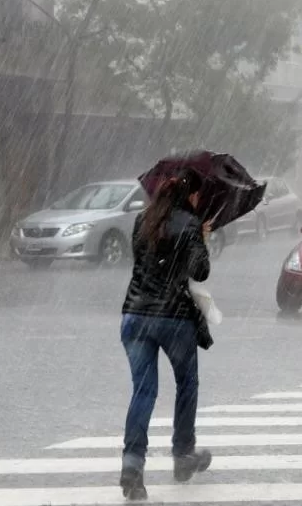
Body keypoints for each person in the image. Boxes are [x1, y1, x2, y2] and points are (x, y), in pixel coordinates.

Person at [119, 168, 213, 500]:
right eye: (198, 195)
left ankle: (132, 466)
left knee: (143, 392)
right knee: (187, 383)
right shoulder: (189, 224)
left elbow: (145, 263)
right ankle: (183, 454)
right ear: (190, 195)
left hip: (134, 315)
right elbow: (199, 271)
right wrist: (200, 237)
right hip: (173, 318)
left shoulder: (141, 220)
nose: (199, 200)